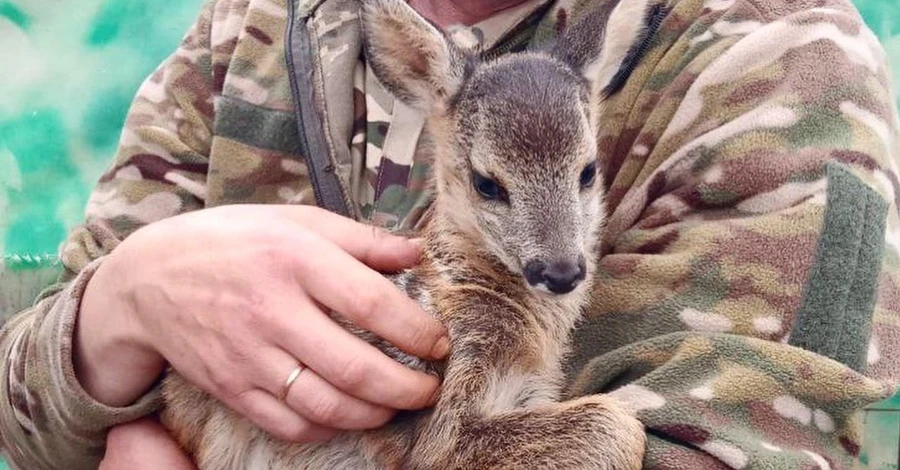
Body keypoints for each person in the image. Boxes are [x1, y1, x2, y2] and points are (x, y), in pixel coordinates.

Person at [0, 0, 898, 468]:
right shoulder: (252, 32)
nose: (558, 255)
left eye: (583, 181)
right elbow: (23, 405)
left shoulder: (774, 61)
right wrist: (115, 309)